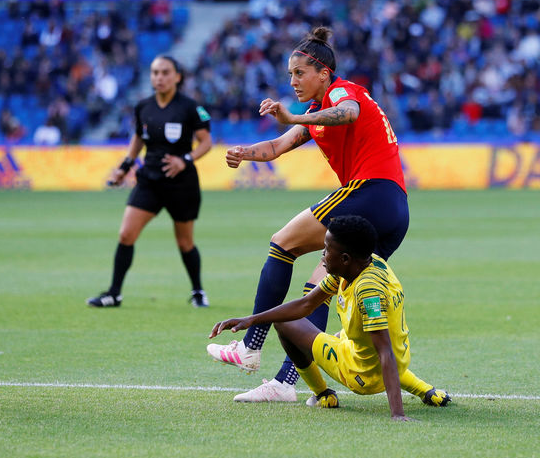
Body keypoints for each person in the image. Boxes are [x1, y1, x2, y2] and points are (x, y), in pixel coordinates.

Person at [206, 27, 410, 402]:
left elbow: (347, 114)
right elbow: (277, 146)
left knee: (281, 244)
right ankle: (285, 383)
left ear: (324, 73)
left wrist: (295, 118)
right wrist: (243, 153)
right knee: (317, 292)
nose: (293, 81)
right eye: (289, 74)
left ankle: (250, 347)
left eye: (299, 73)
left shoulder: (342, 92)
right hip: (395, 210)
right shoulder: (316, 112)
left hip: (370, 191)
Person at [209, 216, 451, 419]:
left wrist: (397, 414)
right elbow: (306, 304)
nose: (322, 255)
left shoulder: (368, 291)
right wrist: (251, 319)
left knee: (284, 323)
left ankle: (323, 394)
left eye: (327, 250)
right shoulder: (364, 265)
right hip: (398, 357)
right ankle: (425, 390)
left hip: (363, 374)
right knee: (352, 335)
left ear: (345, 258)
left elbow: (384, 351)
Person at [87, 55, 213, 308]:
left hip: (181, 184)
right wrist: (125, 167)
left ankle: (198, 291)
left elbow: (207, 142)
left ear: (177, 76)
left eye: (165, 72)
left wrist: (184, 160)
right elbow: (138, 139)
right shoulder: (143, 106)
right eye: (155, 72)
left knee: (185, 242)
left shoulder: (190, 107)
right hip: (149, 181)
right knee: (126, 234)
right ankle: (114, 293)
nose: (159, 77)